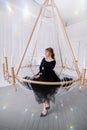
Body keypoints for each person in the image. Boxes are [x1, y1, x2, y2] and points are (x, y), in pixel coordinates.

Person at [21, 47, 72, 117]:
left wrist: (40, 74)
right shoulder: (43, 59)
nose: (45, 53)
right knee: (39, 88)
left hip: (50, 77)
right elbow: (40, 67)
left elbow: (48, 70)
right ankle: (46, 104)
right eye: (45, 52)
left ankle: (44, 109)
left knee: (45, 90)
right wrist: (39, 74)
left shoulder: (53, 61)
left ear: (50, 53)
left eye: (46, 52)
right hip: (41, 74)